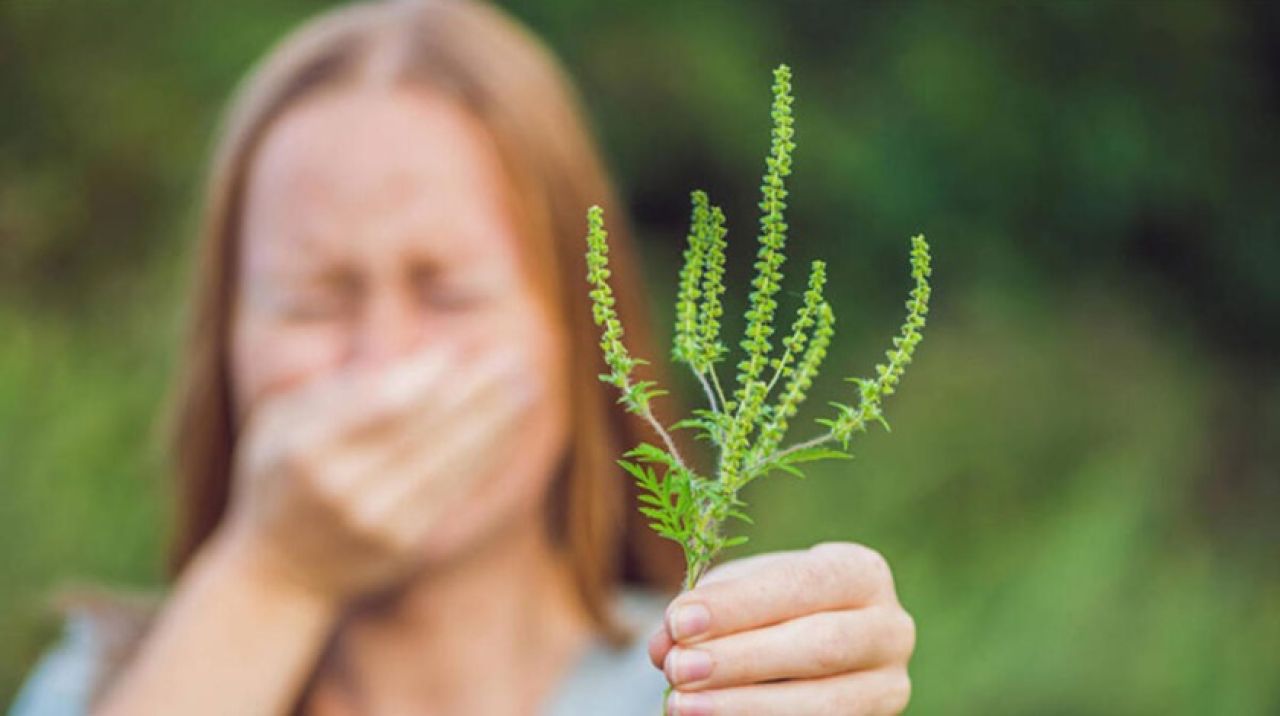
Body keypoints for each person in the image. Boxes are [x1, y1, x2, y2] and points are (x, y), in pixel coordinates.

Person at [10, 1, 915, 714]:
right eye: (312, 300)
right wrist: (272, 577)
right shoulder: (103, 687)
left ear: (580, 332)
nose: (384, 364)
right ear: (226, 343)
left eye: (449, 292)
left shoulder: (708, 678)